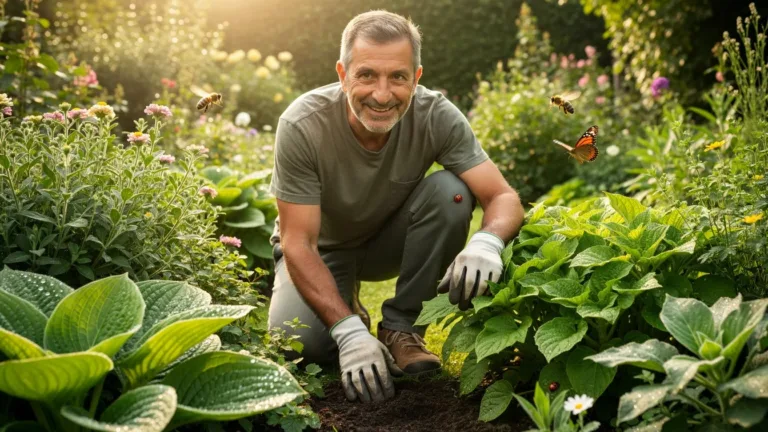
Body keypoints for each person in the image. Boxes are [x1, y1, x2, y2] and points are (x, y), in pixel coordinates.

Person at [267, 9, 525, 404]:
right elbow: (298, 242)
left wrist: (487, 243)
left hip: (389, 240)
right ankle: (349, 310)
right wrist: (348, 332)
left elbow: (503, 196)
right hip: (323, 249)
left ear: (416, 78)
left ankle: (401, 328)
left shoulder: (436, 115)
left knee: (452, 191)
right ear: (342, 73)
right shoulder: (303, 124)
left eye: (398, 77)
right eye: (367, 75)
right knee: (300, 344)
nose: (382, 95)